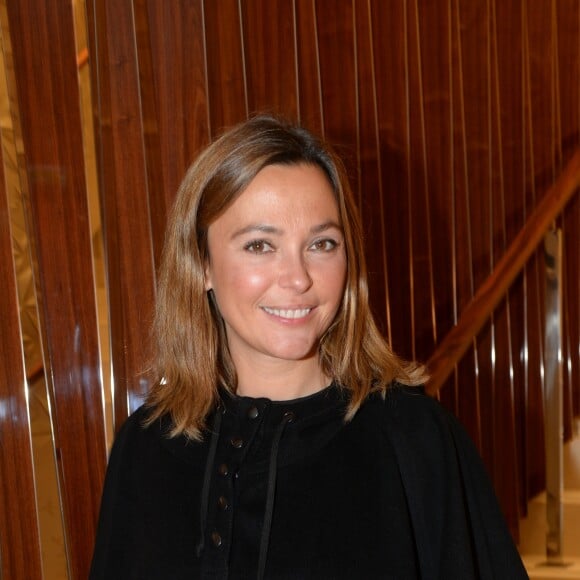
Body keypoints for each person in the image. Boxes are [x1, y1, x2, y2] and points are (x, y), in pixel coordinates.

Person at [90, 114, 528, 579]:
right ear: (202, 265)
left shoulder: (415, 440)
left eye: (321, 243)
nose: (298, 278)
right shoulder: (146, 444)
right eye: (260, 246)